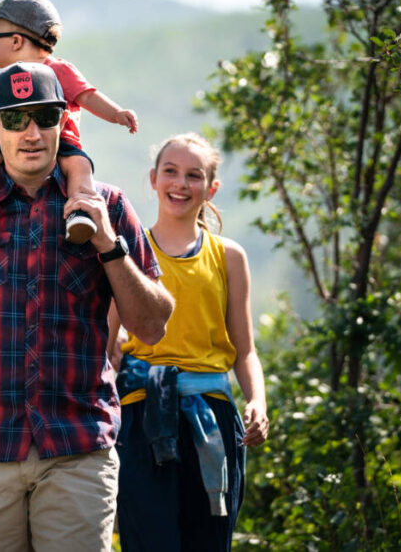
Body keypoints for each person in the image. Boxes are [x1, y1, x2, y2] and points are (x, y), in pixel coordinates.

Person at [0, 61, 173, 551]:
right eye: (15, 119)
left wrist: (109, 245)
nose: (31, 132)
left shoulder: (109, 206)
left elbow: (151, 325)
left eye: (43, 116)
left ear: (63, 121)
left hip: (79, 449)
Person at [107, 132, 269, 552]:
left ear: (211, 187)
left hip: (213, 421)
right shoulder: (124, 254)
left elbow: (244, 349)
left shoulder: (228, 257)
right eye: (170, 172)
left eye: (193, 176)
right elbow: (107, 348)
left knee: (209, 543)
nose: (180, 184)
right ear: (153, 179)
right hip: (142, 416)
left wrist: (258, 403)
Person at [0, 0, 139, 244]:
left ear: (16, 41)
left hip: (62, 146)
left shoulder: (58, 70)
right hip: (13, 149)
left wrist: (116, 113)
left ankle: (81, 211)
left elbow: (88, 96)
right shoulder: (4, 82)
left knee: (79, 166)